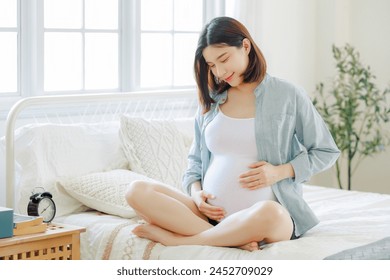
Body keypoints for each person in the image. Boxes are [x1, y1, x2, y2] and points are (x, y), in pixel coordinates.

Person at [126, 16, 340, 251]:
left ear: (245, 46)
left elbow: (325, 151)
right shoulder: (211, 102)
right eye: (211, 65)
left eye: (224, 59)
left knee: (271, 213)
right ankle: (227, 238)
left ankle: (181, 239)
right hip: (208, 216)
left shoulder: (288, 95)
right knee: (136, 190)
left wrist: (279, 172)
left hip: (266, 221)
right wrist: (196, 195)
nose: (219, 71)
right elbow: (195, 163)